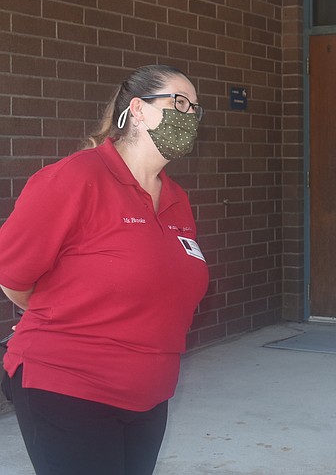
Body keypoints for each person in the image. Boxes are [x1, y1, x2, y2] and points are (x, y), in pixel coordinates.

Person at [0, 64, 210, 475]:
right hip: (69, 387)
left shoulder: (176, 198)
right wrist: (62, 310)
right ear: (139, 109)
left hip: (150, 394)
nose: (190, 116)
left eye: (196, 109)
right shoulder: (76, 178)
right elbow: (12, 276)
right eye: (179, 102)